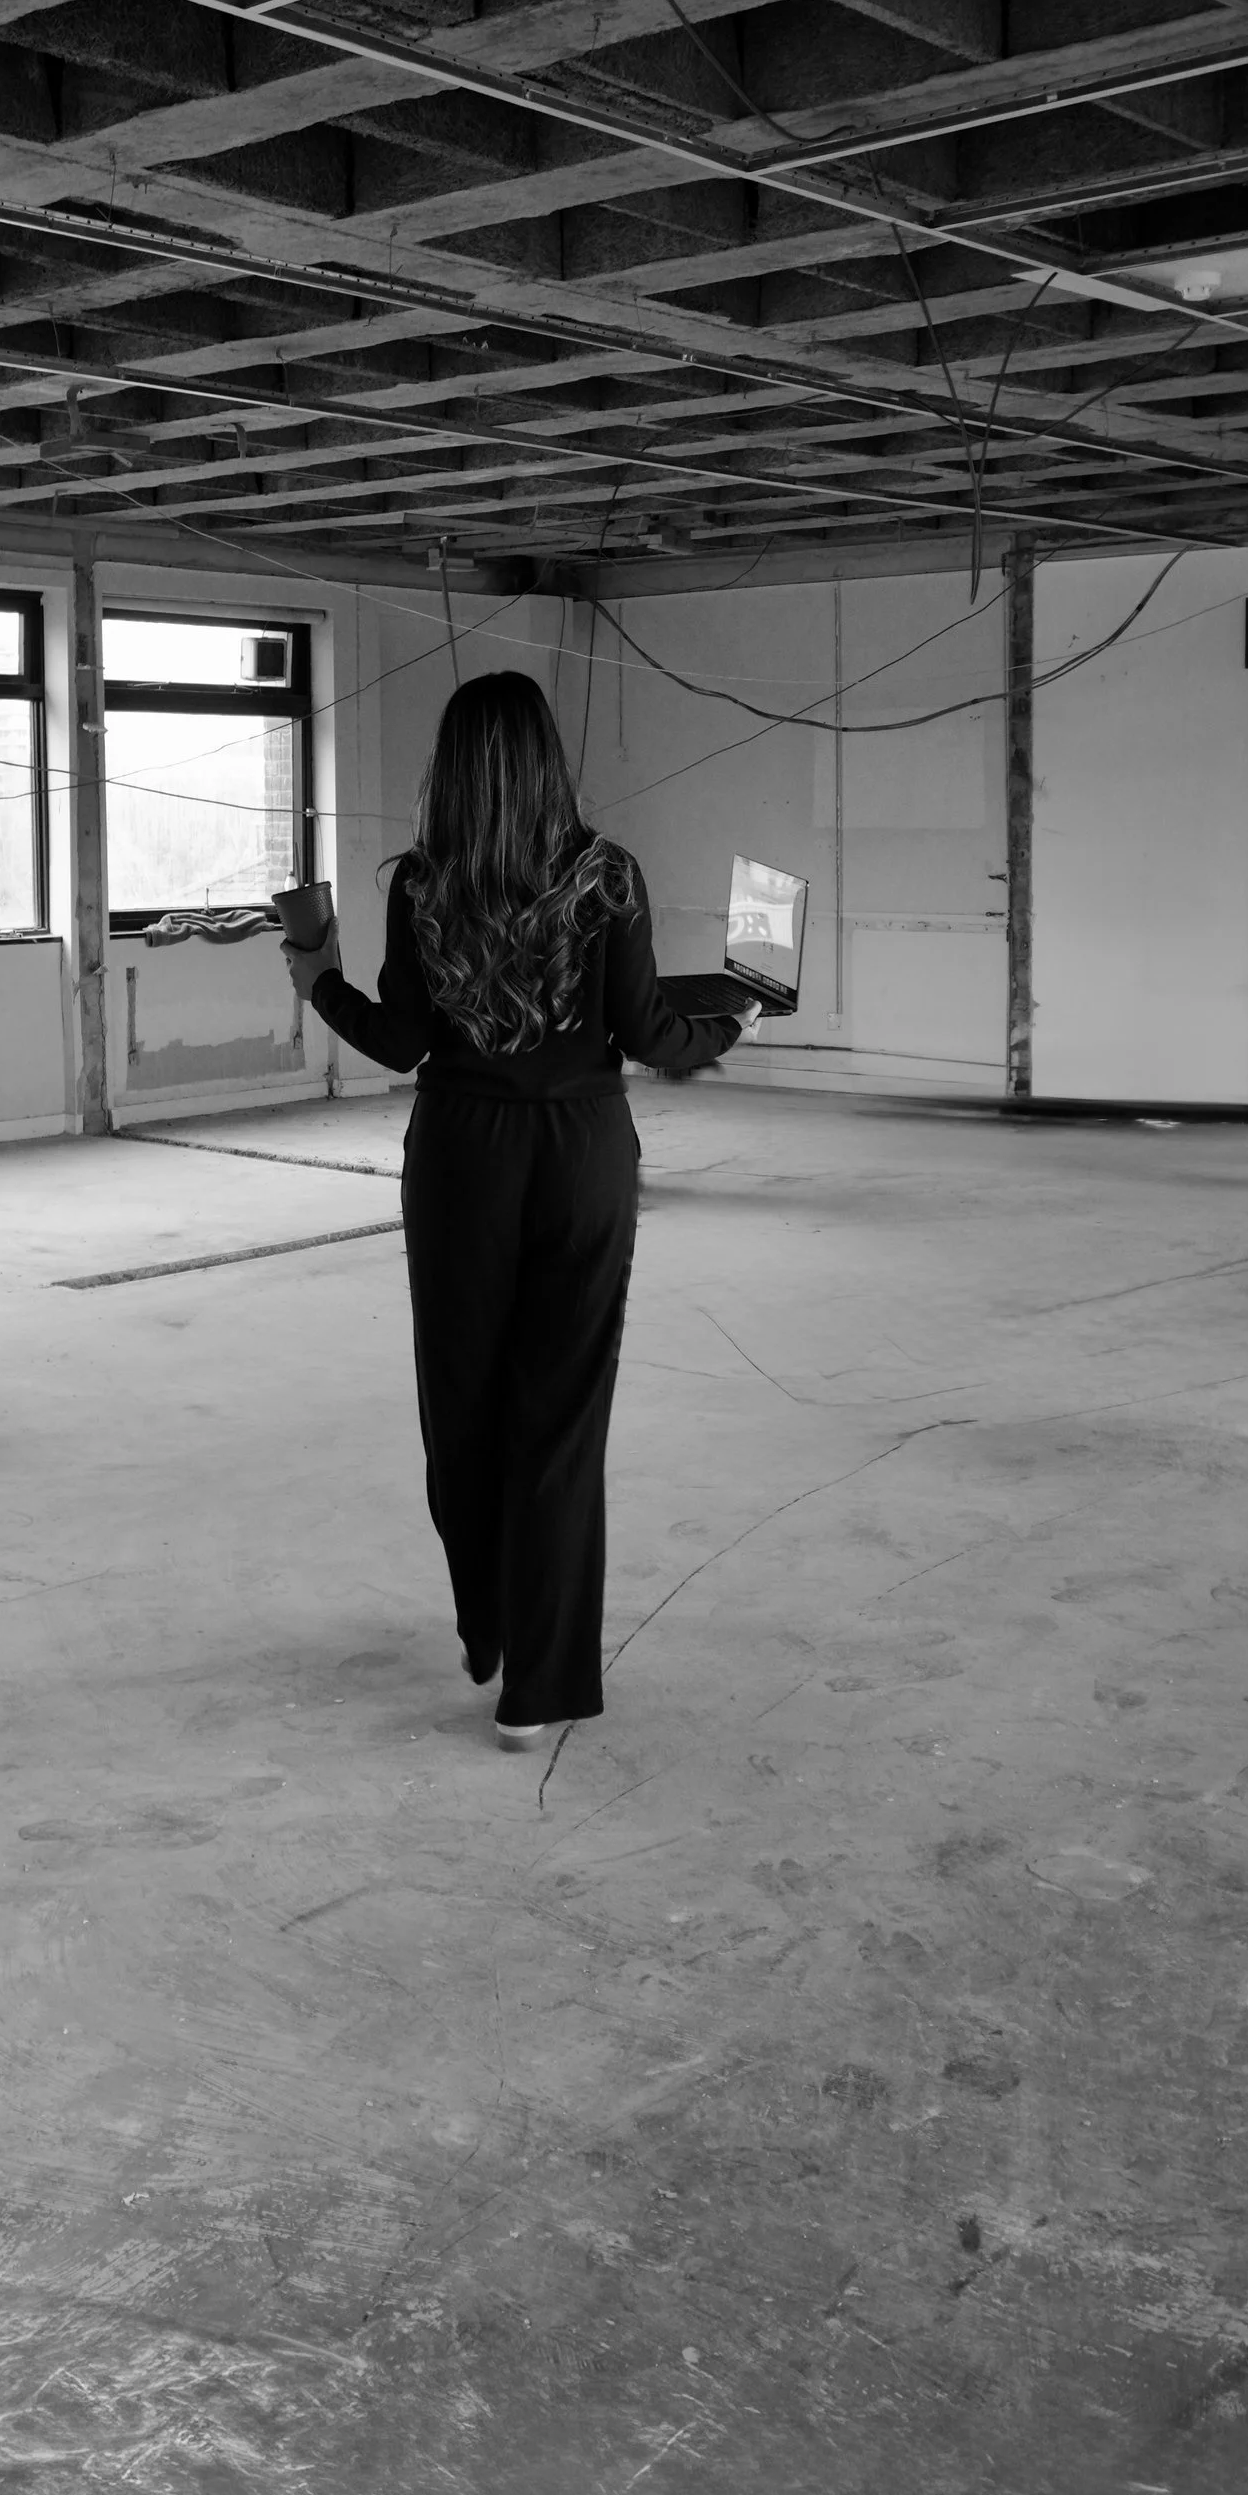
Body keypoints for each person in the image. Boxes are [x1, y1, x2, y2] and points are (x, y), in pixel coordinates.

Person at [279, 672, 751, 1753]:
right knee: (560, 1423)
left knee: (463, 1405)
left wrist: (315, 978)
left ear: (449, 767)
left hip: (458, 1157)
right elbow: (645, 1031)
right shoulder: (606, 876)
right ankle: (534, 1685)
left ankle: (487, 1623)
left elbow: (399, 1042)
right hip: (579, 1154)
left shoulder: (422, 884)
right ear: (548, 759)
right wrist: (728, 1025)